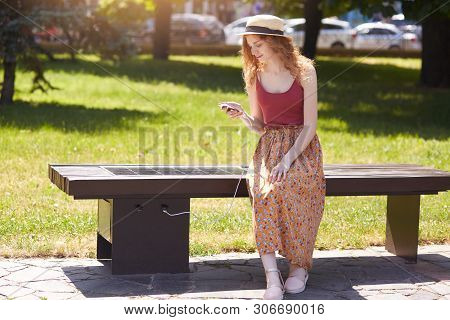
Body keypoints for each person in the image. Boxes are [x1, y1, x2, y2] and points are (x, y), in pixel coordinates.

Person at [219, 14, 326, 300]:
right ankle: (272, 277)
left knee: (295, 188)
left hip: (302, 148)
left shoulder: (305, 71)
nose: (253, 52)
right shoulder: (254, 74)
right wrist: (242, 115)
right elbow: (260, 125)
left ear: (276, 42)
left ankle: (299, 266)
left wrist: (289, 159)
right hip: (268, 148)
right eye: (249, 45)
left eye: (258, 44)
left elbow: (310, 124)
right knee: (265, 193)